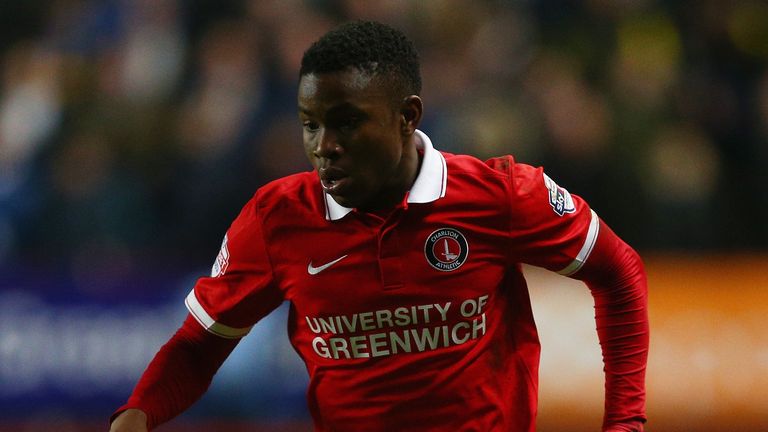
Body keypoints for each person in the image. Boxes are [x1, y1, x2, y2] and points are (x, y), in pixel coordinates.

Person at [110, 20, 648, 432]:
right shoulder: (277, 221)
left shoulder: (501, 195)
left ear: (407, 115)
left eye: (346, 122)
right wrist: (137, 414)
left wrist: (625, 422)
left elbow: (619, 272)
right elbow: (199, 345)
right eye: (310, 125)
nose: (325, 147)